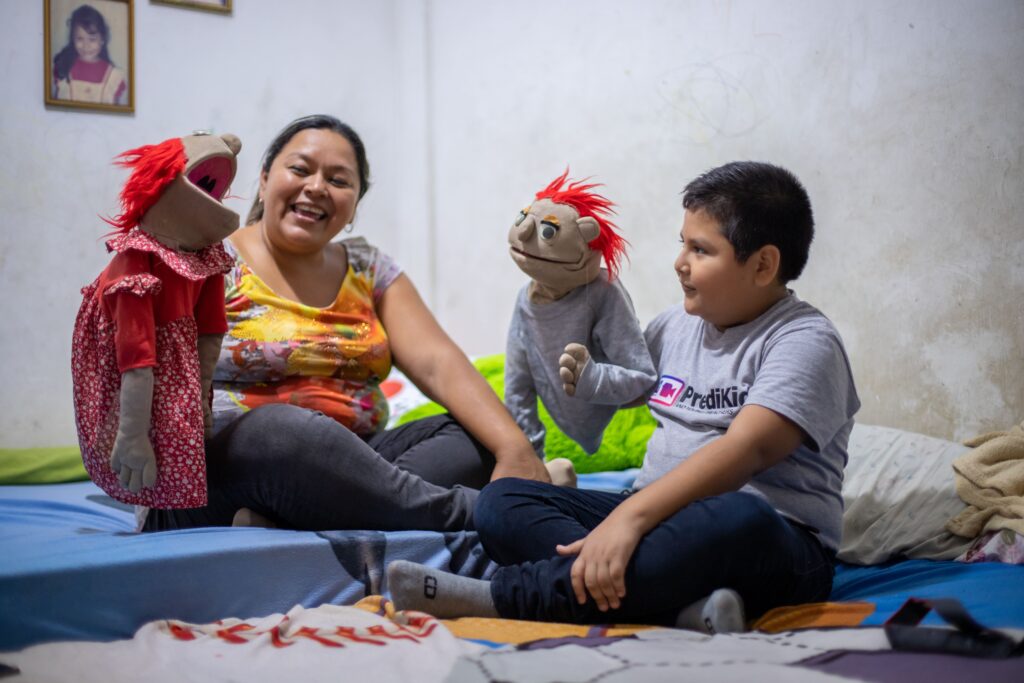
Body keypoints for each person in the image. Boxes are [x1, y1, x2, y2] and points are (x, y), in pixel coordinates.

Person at [388, 161, 860, 632]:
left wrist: (630, 519)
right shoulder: (677, 325)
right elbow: (622, 385)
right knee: (502, 501)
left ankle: (504, 595)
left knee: (743, 516)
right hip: (653, 513)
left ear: (763, 265)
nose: (680, 262)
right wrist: (569, 331)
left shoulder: (804, 340)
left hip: (771, 540)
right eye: (683, 243)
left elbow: (746, 450)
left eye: (700, 249)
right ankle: (678, 609)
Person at [143, 114, 552, 533]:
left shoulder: (368, 268)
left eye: (339, 181)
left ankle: (298, 518)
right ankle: (487, 513)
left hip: (358, 461)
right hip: (221, 473)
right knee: (283, 432)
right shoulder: (206, 260)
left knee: (473, 437)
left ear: (355, 203)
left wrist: (515, 449)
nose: (317, 187)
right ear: (264, 180)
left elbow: (436, 361)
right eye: (300, 169)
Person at [52, 4, 127, 106]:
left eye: (92, 39)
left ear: (102, 40)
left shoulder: (113, 77)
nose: (86, 46)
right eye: (80, 39)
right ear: (72, 39)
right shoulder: (63, 68)